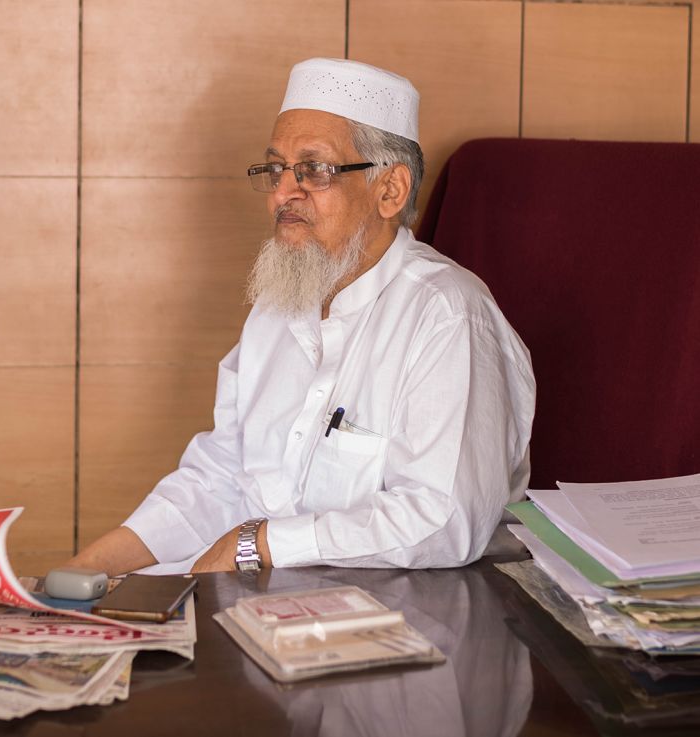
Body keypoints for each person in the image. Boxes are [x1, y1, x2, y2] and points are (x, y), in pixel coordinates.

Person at [69, 58, 535, 576]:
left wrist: (260, 543)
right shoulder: (279, 300)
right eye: (275, 169)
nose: (282, 193)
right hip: (263, 599)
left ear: (390, 191)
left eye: (314, 170)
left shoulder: (448, 316)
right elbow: (223, 475)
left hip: (412, 618)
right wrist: (84, 572)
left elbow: (444, 521)